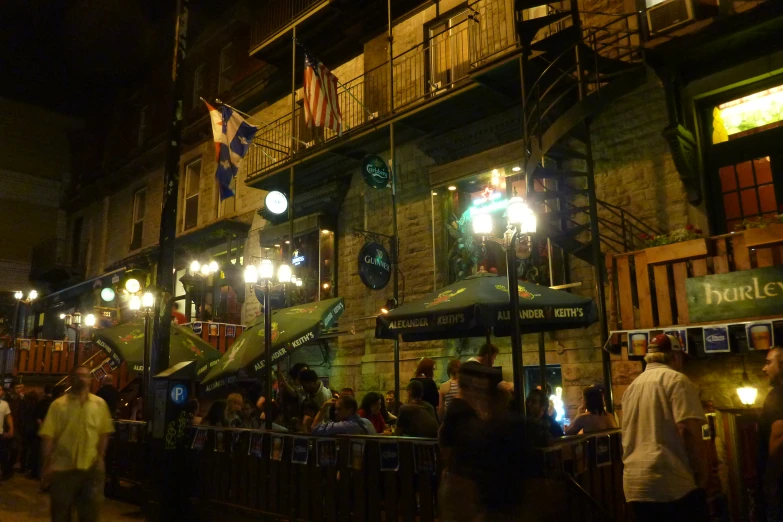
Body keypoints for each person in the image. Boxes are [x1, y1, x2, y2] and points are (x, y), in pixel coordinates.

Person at [622, 334, 708, 522]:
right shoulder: (677, 380)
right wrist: (703, 475)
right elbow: (687, 430)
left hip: (636, 485)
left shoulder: (631, 388)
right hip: (672, 483)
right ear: (675, 357)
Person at [40, 365, 115, 522]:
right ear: (70, 379)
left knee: (90, 514)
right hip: (63, 469)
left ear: (90, 380)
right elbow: (48, 436)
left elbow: (104, 433)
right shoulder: (58, 405)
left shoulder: (99, 404)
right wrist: (47, 464)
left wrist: (101, 457)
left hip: (91, 469)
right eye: (77, 375)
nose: (81, 378)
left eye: (85, 375)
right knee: (60, 514)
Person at [759, 346, 783, 521]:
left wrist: (770, 480)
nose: (764, 368)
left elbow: (779, 437)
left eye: (768, 363)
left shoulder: (777, 396)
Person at [311, 396, 376, 436]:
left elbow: (314, 428)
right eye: (335, 409)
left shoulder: (345, 425)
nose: (335, 412)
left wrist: (324, 406)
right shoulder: (367, 422)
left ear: (350, 411)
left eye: (339, 409)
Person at [20, 391, 39, 477]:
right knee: (33, 450)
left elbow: (22, 417)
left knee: (25, 449)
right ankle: (30, 469)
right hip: (34, 430)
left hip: (25, 429)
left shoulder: (24, 406)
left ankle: (23, 467)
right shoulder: (36, 406)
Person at [0, 387, 14, 481]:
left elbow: (8, 417)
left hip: (0, 433)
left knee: (2, 455)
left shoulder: (4, 404)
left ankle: (4, 473)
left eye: (1, 389)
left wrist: (11, 429)